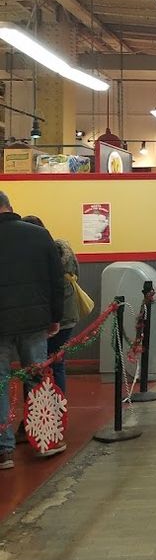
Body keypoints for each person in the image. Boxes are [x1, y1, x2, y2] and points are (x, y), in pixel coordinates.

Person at [0, 191, 64, 470]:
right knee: (37, 379)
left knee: (0, 383)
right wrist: (55, 318)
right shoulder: (39, 235)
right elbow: (56, 280)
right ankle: (44, 440)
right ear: (10, 207)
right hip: (35, 321)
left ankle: (4, 451)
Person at [21, 217, 80, 395]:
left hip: (48, 319)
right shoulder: (62, 252)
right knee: (58, 364)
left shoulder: (36, 256)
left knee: (36, 364)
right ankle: (59, 406)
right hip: (68, 315)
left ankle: (38, 406)